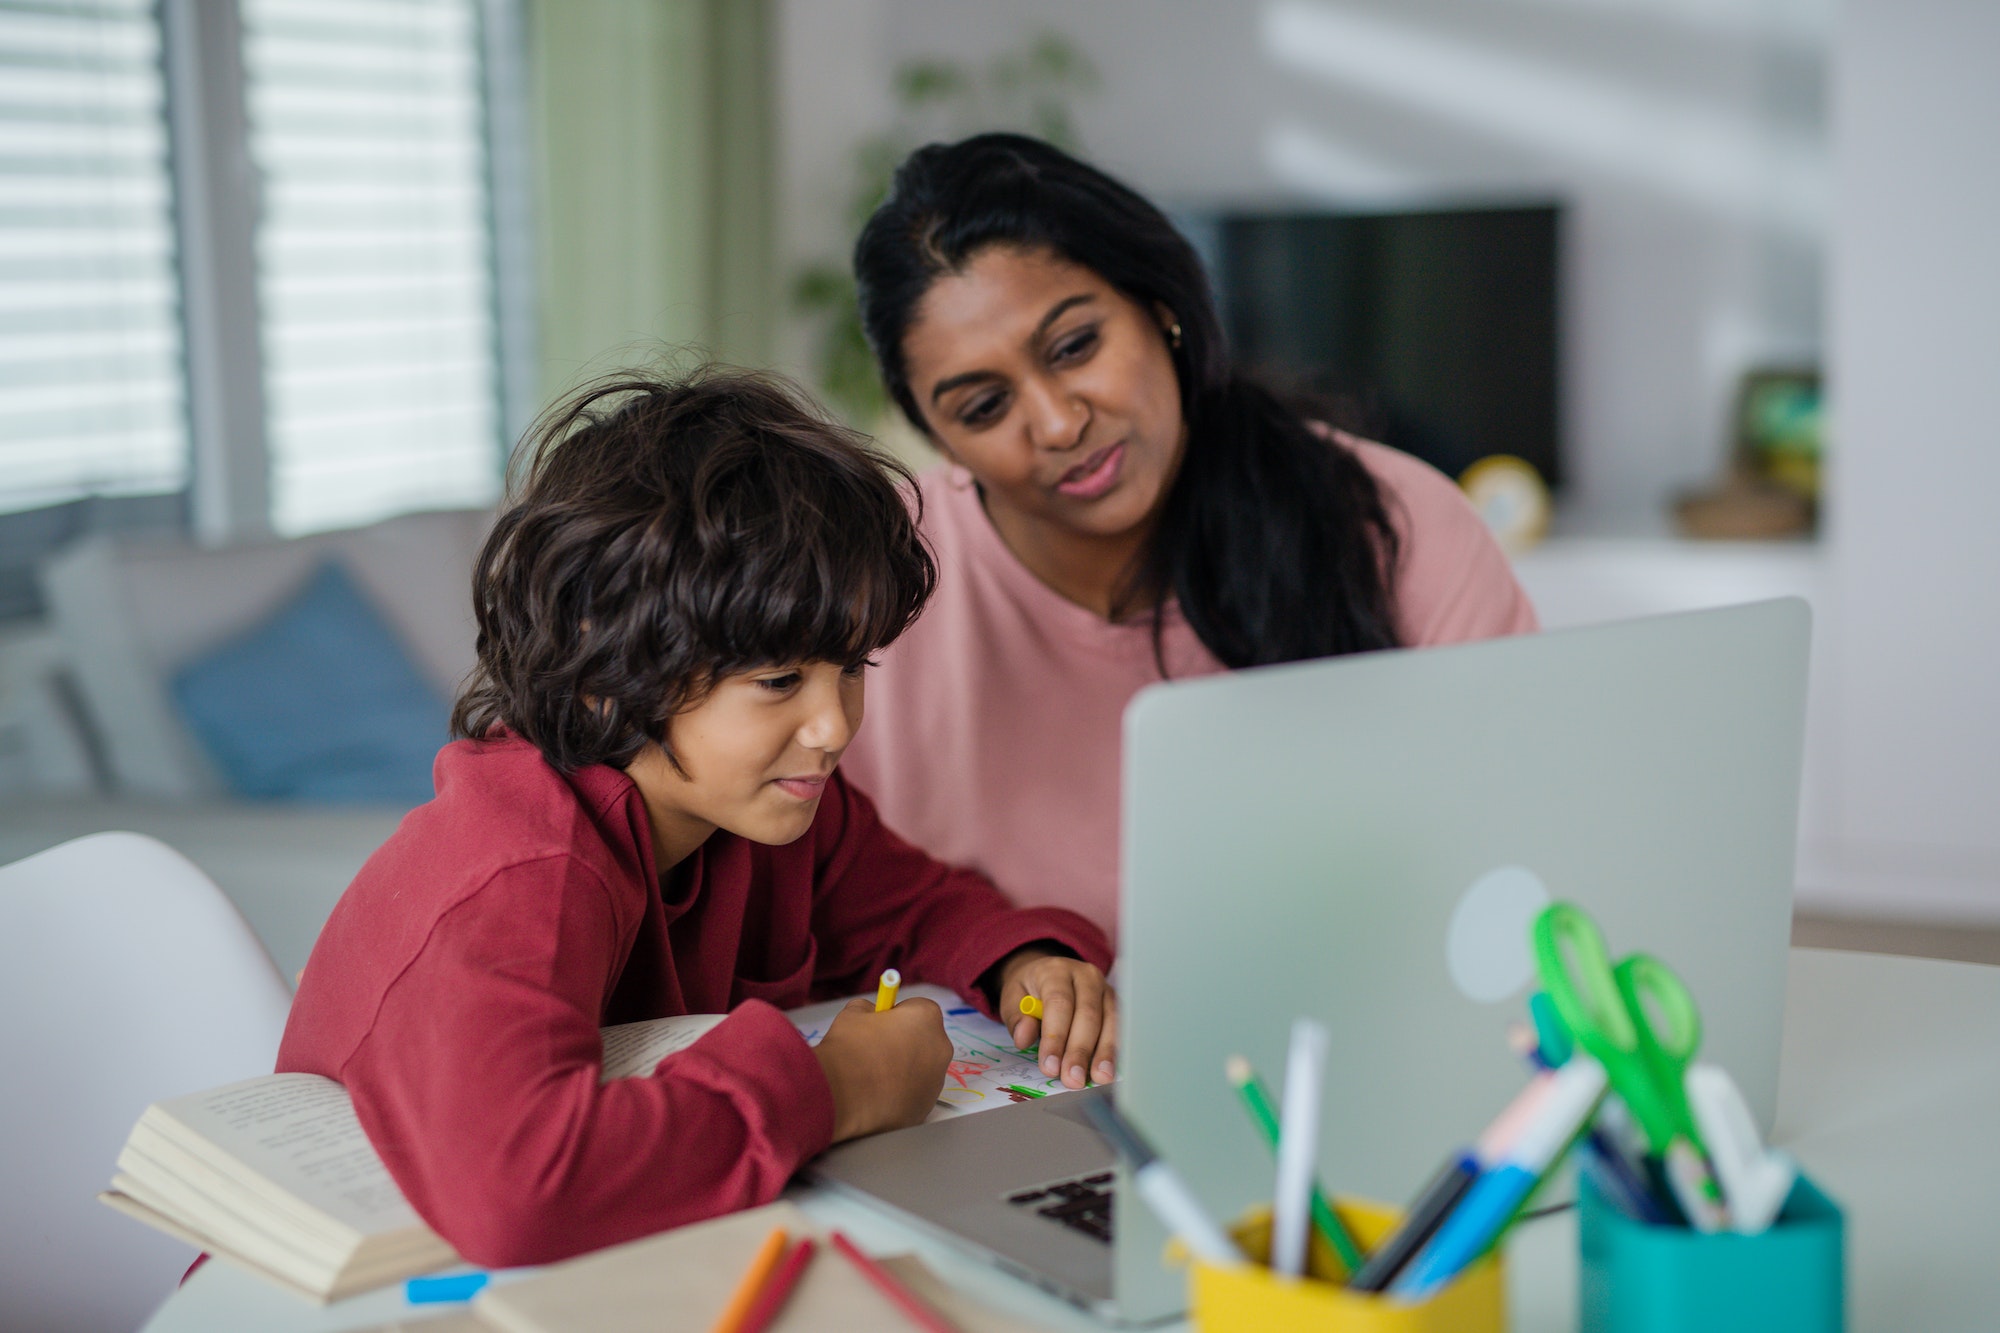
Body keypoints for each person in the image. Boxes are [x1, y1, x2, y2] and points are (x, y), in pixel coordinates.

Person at [276, 369, 1116, 1268]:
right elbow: (523, 1188)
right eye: (779, 682)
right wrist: (842, 1085)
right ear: (610, 670)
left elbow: (921, 907)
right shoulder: (520, 865)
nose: (834, 727)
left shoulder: (771, 808)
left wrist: (1028, 958)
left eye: (851, 668)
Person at [840, 134, 1538, 945]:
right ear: (942, 439)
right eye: (984, 407)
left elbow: (1513, 856)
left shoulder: (1399, 523)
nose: (1061, 422)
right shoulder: (866, 585)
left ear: (1160, 307)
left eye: (1075, 347)